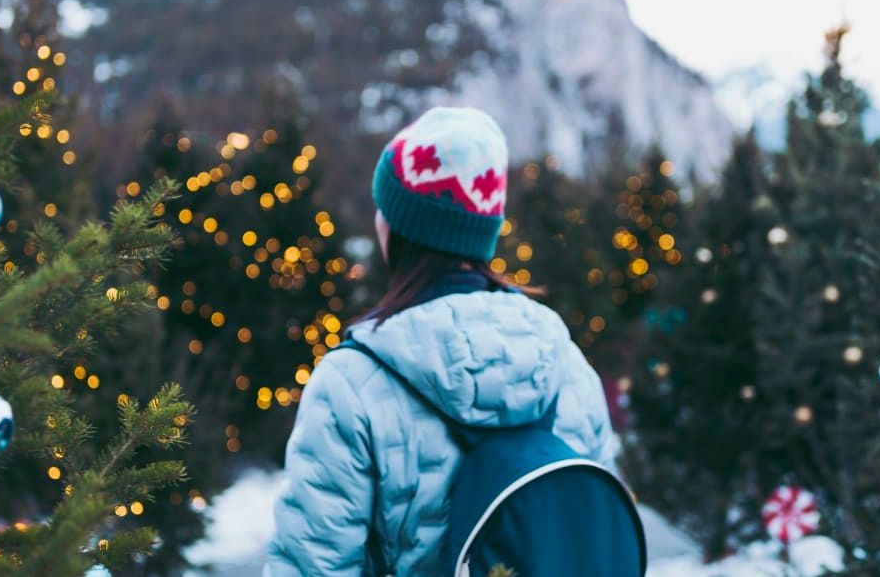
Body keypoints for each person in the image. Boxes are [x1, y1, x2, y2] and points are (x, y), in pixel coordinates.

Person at [265, 107, 618, 576]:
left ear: (398, 226)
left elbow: (313, 566)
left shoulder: (350, 382)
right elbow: (594, 541)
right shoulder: (568, 365)